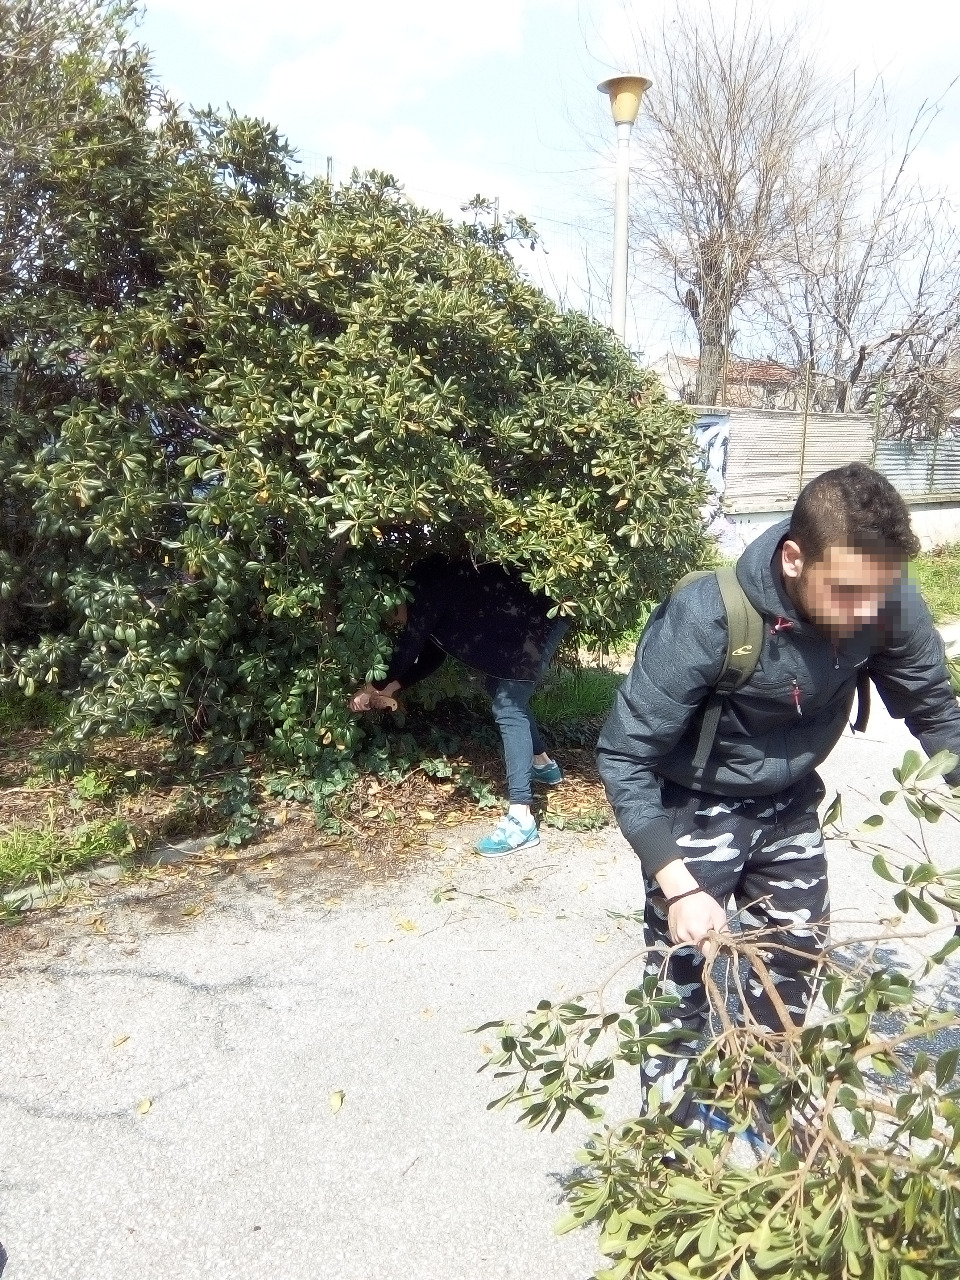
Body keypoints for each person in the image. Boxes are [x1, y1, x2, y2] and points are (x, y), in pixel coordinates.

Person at [596, 463, 960, 1124]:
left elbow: (936, 714)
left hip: (790, 802)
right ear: (795, 559)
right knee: (681, 981)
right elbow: (625, 754)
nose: (865, 613)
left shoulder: (882, 602)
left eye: (879, 594)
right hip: (695, 808)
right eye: (846, 592)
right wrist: (677, 884)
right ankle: (668, 1146)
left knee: (794, 961)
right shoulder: (708, 616)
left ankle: (763, 1109)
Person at [349, 555, 569, 856]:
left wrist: (372, 686)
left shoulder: (425, 584)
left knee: (508, 705)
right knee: (499, 689)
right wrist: (392, 686)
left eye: (388, 614)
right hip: (524, 618)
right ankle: (543, 765)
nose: (392, 622)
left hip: (541, 616)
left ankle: (522, 820)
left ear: (394, 595)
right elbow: (433, 656)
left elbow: (409, 646)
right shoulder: (426, 597)